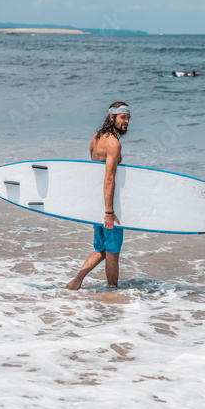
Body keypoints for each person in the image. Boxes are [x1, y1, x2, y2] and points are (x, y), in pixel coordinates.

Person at [66, 102, 131, 290]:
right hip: (108, 206)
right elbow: (109, 179)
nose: (126, 121)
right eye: (123, 117)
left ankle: (76, 281)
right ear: (112, 117)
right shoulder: (114, 144)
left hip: (96, 202)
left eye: (128, 117)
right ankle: (112, 291)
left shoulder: (96, 138)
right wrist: (109, 211)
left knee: (101, 250)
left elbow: (94, 172)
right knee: (112, 252)